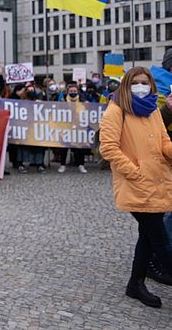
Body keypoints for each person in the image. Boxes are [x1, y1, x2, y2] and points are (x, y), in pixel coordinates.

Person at [99, 66, 172, 308]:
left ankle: (135, 284)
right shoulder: (115, 110)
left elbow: (164, 142)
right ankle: (137, 283)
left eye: (145, 82)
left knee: (148, 238)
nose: (141, 87)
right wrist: (135, 173)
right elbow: (108, 148)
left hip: (158, 182)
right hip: (137, 184)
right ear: (127, 85)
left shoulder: (152, 110)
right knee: (162, 244)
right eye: (136, 83)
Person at [58, 84, 88, 174]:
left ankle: (81, 165)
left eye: (74, 91)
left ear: (77, 91)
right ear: (67, 92)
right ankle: (62, 165)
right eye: (71, 91)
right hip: (65, 127)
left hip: (78, 128)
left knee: (79, 148)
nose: (73, 93)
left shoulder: (82, 101)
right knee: (64, 148)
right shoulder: (62, 101)